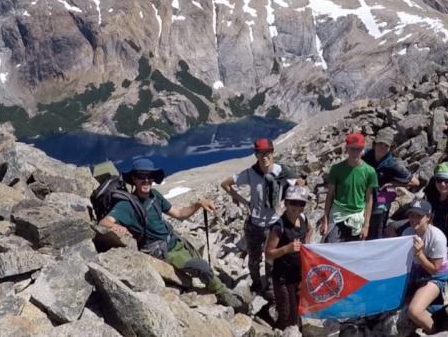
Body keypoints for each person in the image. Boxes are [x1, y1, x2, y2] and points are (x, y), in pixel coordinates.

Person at [98, 158, 243, 309]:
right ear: (134, 179)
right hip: (164, 251)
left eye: (150, 176)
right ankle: (224, 295)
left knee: (200, 262)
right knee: (203, 267)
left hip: (175, 241)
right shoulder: (127, 205)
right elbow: (104, 222)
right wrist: (117, 227)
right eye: (141, 176)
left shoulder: (154, 195)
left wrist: (199, 204)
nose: (146, 180)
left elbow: (179, 213)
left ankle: (216, 286)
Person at [220, 138, 298, 294]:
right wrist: (243, 201)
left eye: (267, 152)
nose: (264, 157)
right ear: (256, 155)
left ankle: (270, 286)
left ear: (272, 152)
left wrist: (286, 203)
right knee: (254, 259)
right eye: (260, 153)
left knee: (272, 259)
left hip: (274, 224)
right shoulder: (251, 173)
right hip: (254, 224)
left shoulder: (283, 172)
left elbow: (299, 184)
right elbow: (225, 184)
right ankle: (256, 284)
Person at [264, 186, 313, 330]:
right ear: (286, 203)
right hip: (282, 278)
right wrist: (287, 249)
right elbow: (268, 253)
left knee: (297, 310)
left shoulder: (303, 218)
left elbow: (310, 230)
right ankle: (275, 326)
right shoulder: (279, 226)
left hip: (298, 275)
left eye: (301, 203)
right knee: (286, 316)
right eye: (293, 202)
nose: (297, 207)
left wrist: (306, 243)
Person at [319, 132, 378, 242]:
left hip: (357, 215)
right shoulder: (336, 169)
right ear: (346, 148)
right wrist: (326, 219)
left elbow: (369, 199)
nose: (355, 152)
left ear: (363, 149)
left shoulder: (370, 171)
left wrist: (366, 225)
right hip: (338, 215)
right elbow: (330, 195)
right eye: (352, 149)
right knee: (331, 247)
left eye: (358, 149)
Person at [403, 200, 448, 334]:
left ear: (428, 217)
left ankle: (437, 332)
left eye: (418, 216)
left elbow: (434, 269)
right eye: (411, 215)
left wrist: (419, 254)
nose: (413, 219)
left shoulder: (437, 237)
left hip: (434, 276)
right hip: (414, 273)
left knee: (414, 311)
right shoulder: (407, 233)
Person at [362, 128, 419, 240]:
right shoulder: (367, 155)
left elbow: (415, 182)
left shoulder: (393, 165)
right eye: (380, 144)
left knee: (375, 233)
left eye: (386, 146)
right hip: (363, 199)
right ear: (374, 143)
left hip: (380, 203)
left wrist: (393, 184)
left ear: (390, 147)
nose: (382, 148)